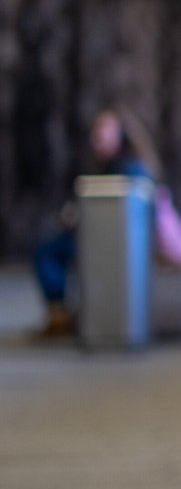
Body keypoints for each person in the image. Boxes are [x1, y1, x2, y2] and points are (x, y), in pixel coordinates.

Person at [31, 108, 157, 340]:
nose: (96, 136)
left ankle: (60, 315)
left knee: (46, 252)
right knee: (47, 247)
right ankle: (59, 314)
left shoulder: (131, 169)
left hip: (112, 245)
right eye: (96, 131)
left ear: (121, 134)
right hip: (100, 238)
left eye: (104, 130)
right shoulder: (108, 165)